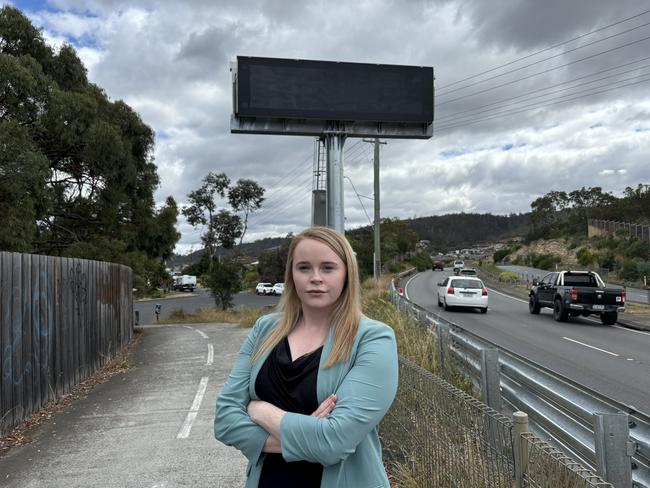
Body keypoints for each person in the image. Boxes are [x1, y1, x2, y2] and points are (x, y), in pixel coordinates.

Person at [214, 226, 399, 488]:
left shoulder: (373, 339)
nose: (315, 278)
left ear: (347, 274)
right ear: (292, 275)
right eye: (304, 268)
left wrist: (260, 410)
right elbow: (224, 420)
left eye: (327, 268)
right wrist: (311, 435)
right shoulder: (265, 329)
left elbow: (333, 443)